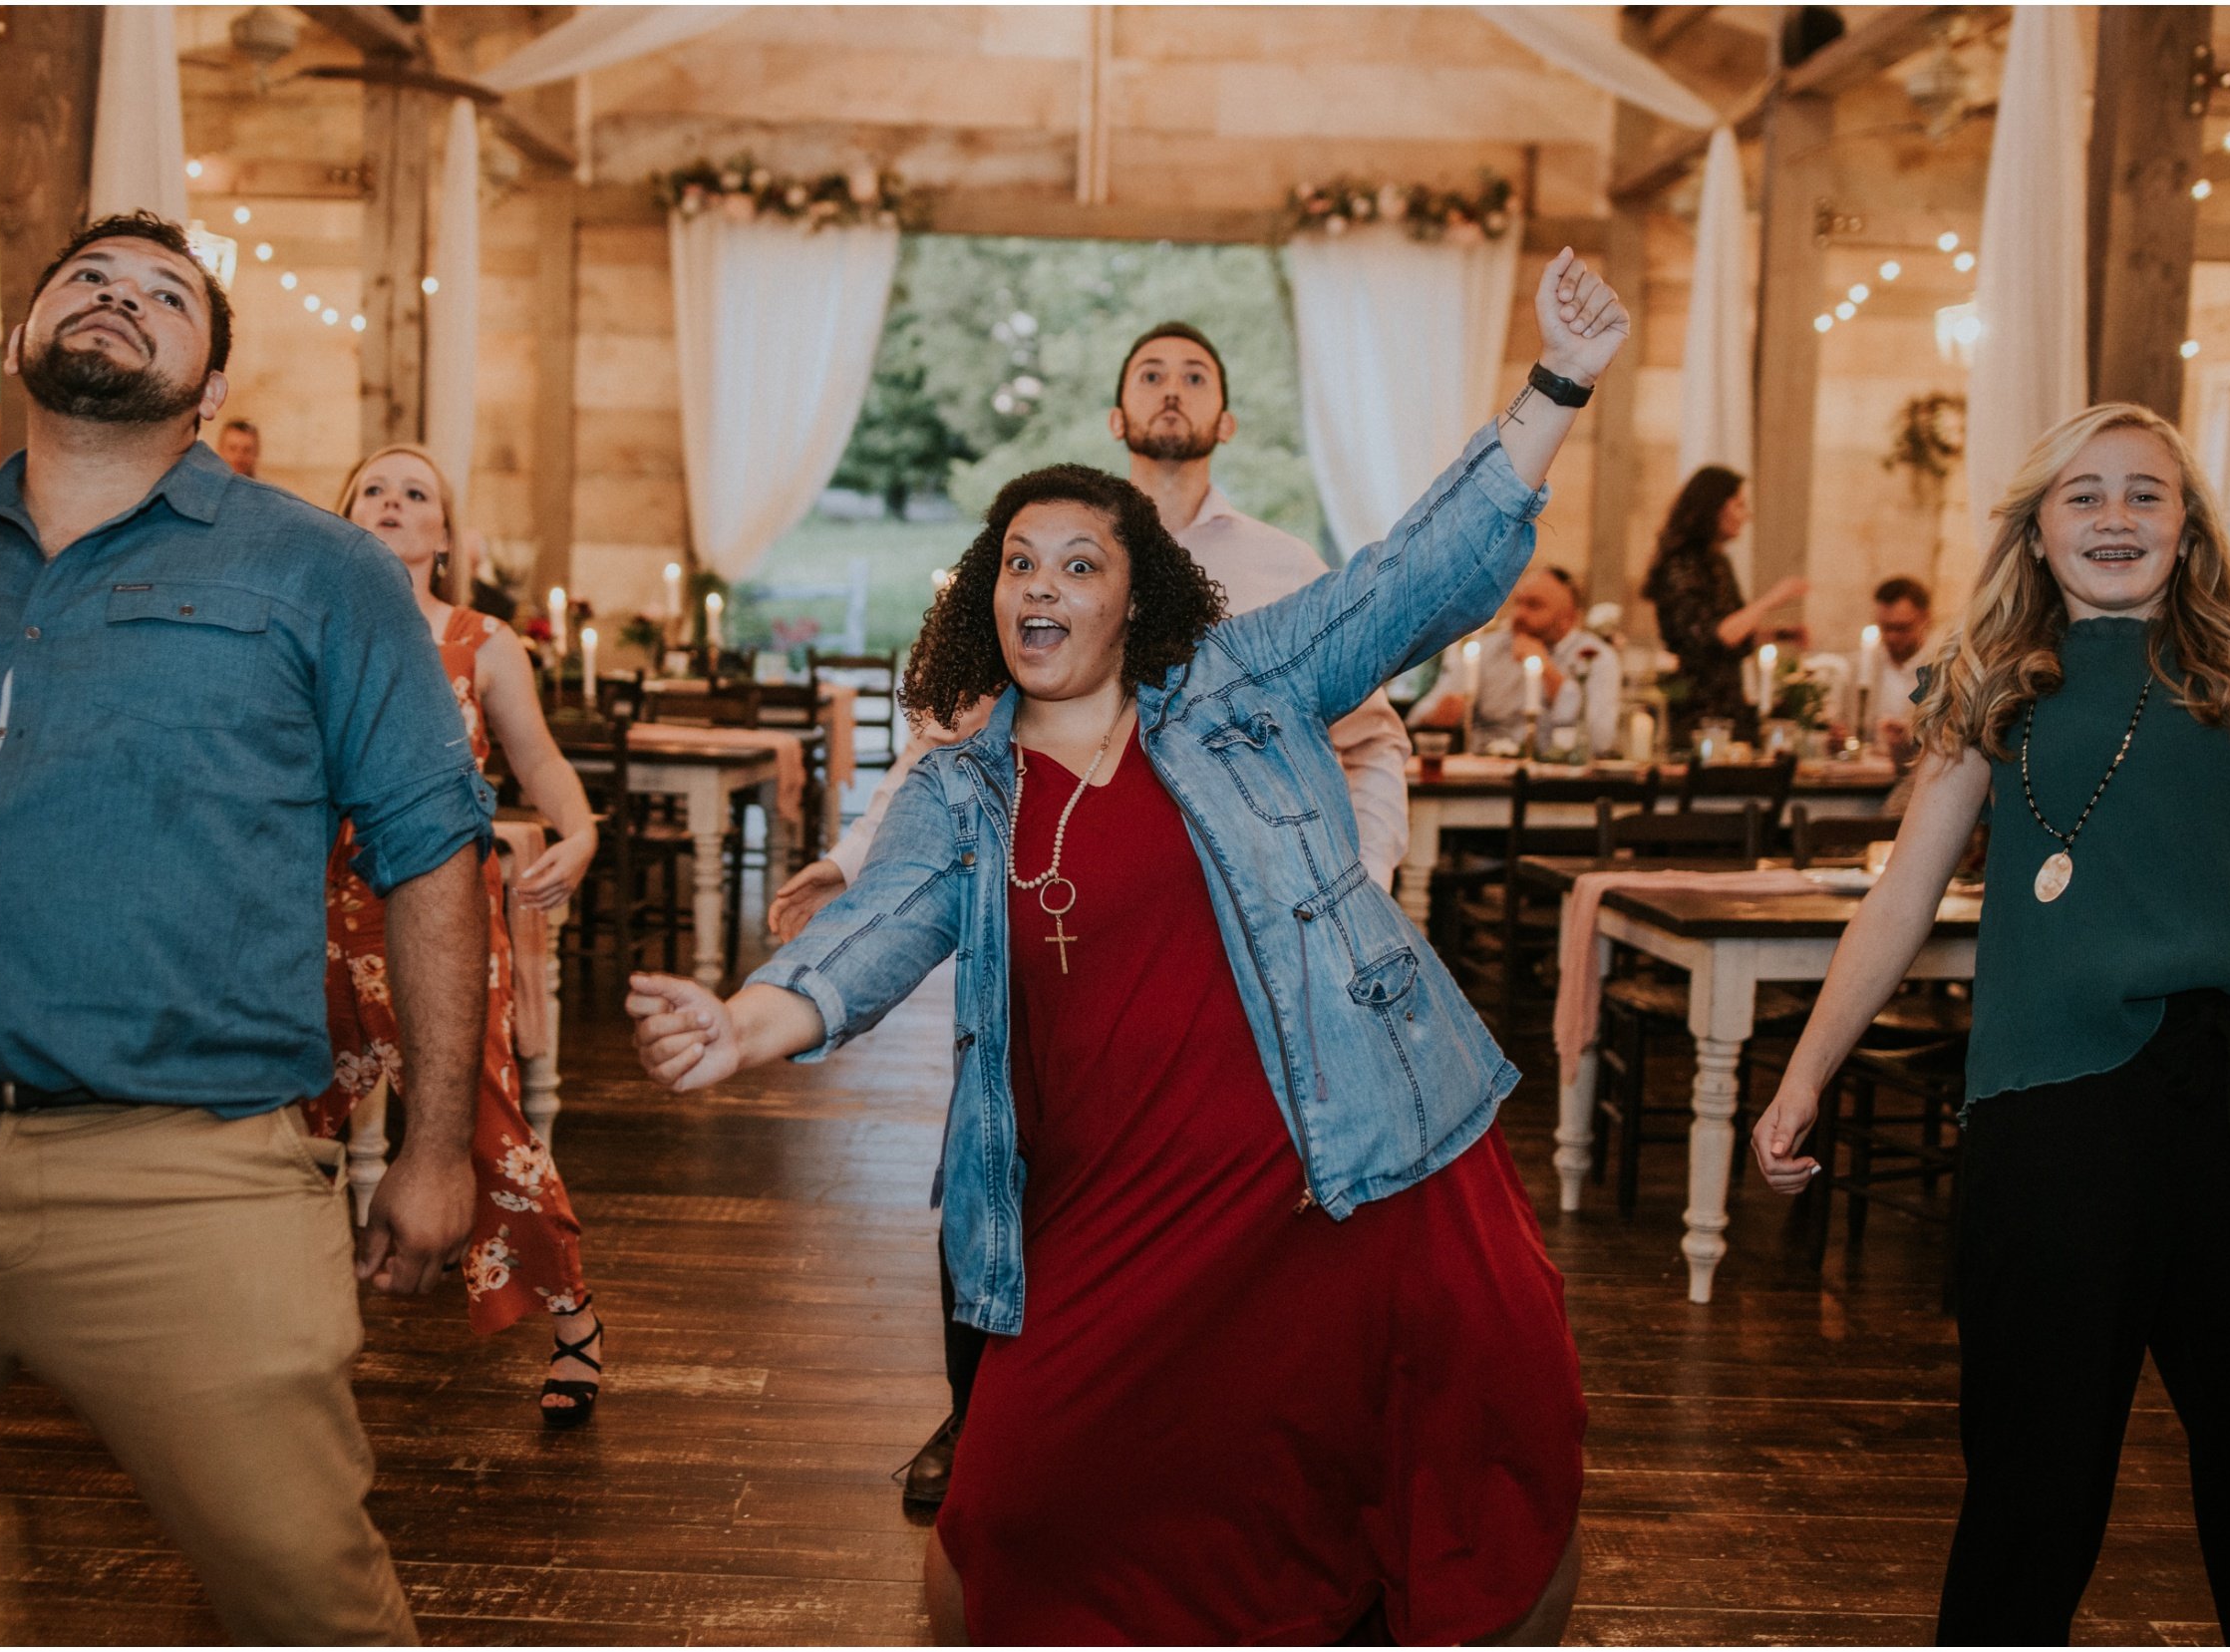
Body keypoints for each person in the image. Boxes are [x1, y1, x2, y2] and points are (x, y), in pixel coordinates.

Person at [632, 247, 1627, 1645]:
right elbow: (876, 929)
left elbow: (1418, 575)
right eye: (1018, 563)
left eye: (1080, 562)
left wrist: (1558, 382)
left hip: (1324, 1159)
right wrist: (746, 1022)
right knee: (1010, 1523)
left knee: (1448, 1451)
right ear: (990, 596)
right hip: (1107, 1198)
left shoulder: (1238, 685)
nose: (1044, 584)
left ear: (1134, 597)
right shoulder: (968, 781)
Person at [0, 211, 494, 1643]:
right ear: (20, 342)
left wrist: (436, 1147)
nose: (119, 304)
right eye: (88, 285)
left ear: (210, 388)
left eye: (163, 297)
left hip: (190, 1173)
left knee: (310, 1599)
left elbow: (434, 849)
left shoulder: (321, 574)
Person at [766, 317, 1414, 1503]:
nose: (1171, 391)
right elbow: (945, 741)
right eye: (1147, 376)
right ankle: (976, 1420)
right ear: (1115, 418)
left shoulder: (1280, 570)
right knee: (994, 1150)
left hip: (1222, 935)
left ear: (1226, 418)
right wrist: (859, 862)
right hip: (1044, 910)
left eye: (1195, 375)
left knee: (1209, 1177)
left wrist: (1353, 886)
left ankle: (1204, 1429)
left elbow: (1373, 740)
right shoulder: (1032, 564)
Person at [1750, 403, 2230, 1647]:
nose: (2114, 518)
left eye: (2145, 493)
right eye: (2081, 495)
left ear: (2186, 526)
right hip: (2050, 1111)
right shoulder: (1987, 688)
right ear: (2033, 528)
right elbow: (1901, 896)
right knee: (2034, 1474)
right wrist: (1803, 1074)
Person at [317, 442, 609, 1427]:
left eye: (415, 495)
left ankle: (572, 1318)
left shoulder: (482, 642)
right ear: (342, 515)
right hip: (314, 914)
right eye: (373, 491)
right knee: (283, 1116)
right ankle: (281, 1324)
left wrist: (581, 830)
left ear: (444, 533)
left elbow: (536, 756)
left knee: (485, 1126)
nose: (392, 504)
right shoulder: (311, 631)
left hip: (435, 917)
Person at [1643, 467, 1808, 740]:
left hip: (1728, 700)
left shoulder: (1718, 562)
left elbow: (1735, 636)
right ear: (1715, 506)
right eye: (1740, 505)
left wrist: (1781, 634)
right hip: (1698, 707)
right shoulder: (1682, 565)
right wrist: (1773, 598)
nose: (1747, 516)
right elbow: (1716, 635)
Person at [1407, 563, 1620, 755]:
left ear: (1568, 619)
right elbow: (1418, 716)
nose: (1519, 615)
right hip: (1486, 777)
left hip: (1558, 783)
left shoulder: (1597, 657)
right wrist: (1435, 716)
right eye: (1518, 603)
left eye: (1534, 605)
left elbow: (1600, 740)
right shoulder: (1488, 650)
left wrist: (1547, 672)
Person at [1862, 573, 1934, 763]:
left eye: (1902, 628)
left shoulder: (1940, 668)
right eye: (1885, 628)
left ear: (1925, 618)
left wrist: (1909, 735)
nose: (1892, 637)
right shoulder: (1864, 665)